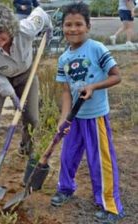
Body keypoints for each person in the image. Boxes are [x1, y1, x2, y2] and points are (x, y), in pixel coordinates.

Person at [52, 3, 125, 223]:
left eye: (78, 24)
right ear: (62, 27)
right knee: (67, 156)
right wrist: (64, 117)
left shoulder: (97, 48)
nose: (73, 29)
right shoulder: (63, 58)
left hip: (95, 117)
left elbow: (116, 76)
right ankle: (65, 189)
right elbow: (66, 91)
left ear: (88, 26)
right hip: (75, 117)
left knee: (99, 160)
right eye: (68, 25)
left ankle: (111, 206)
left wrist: (94, 87)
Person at [0, 4, 53, 180]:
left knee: (32, 118)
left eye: (0, 31)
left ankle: (26, 149)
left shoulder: (26, 29)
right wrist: (11, 94)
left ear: (11, 28)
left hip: (26, 75)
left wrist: (49, 28)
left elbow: (40, 12)